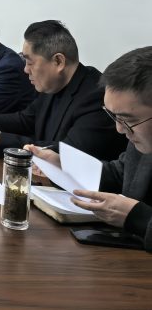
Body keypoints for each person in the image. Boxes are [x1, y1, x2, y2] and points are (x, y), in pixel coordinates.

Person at [27, 47, 152, 252]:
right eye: (113, 116)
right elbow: (121, 174)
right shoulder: (142, 132)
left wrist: (137, 217)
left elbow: (137, 214)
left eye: (127, 120)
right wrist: (63, 166)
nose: (119, 129)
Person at [0, 20, 127, 160]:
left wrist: (0, 141)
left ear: (58, 62)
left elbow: (68, 153)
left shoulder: (96, 95)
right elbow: (26, 119)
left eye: (30, 62)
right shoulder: (53, 83)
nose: (25, 70)